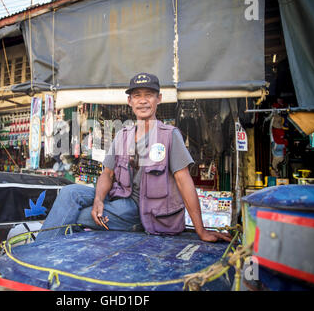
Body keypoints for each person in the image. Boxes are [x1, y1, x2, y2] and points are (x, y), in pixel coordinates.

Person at [35, 73, 231, 243]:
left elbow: (184, 180)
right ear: (130, 101)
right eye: (137, 96)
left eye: (149, 95)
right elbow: (107, 174)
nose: (143, 101)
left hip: (144, 212)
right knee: (70, 193)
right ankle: (39, 251)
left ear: (159, 99)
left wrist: (201, 230)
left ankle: (39, 254)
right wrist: (98, 200)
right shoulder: (122, 134)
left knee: (77, 215)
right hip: (119, 199)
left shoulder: (169, 135)